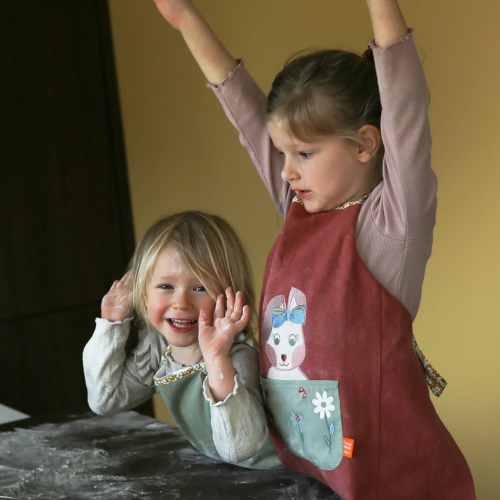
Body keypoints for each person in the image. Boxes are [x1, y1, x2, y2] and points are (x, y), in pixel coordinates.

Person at [152, 0, 476, 498]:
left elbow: (406, 107)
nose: (286, 171)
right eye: (283, 153)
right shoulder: (300, 209)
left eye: (304, 153)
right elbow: (243, 111)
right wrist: (185, 19)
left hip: (398, 483)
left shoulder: (392, 226)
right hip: (315, 474)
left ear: (366, 145)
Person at [83, 210, 281, 469]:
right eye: (166, 286)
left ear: (231, 298)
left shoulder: (238, 357)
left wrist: (216, 359)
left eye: (200, 288)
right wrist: (111, 324)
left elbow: (240, 449)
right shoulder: (158, 349)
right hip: (222, 475)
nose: (181, 303)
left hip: (277, 479)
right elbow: (105, 401)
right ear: (143, 294)